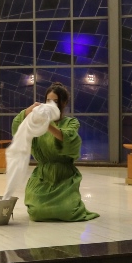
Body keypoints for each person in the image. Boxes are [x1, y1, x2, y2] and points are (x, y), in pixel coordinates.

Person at [12, 83, 98, 222]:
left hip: (64, 176)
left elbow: (68, 138)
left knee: (67, 210)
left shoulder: (71, 122)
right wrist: (29, 111)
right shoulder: (36, 122)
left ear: (63, 103)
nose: (51, 104)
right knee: (36, 212)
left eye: (55, 101)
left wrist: (47, 125)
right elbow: (17, 127)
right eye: (48, 101)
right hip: (43, 175)